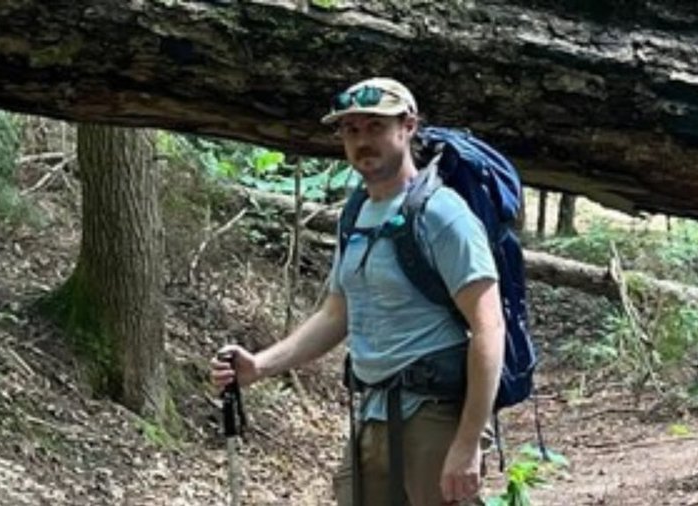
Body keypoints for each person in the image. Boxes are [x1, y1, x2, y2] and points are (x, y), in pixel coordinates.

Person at [210, 77, 504, 506]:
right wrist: (259, 366)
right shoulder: (356, 215)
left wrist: (467, 443)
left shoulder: (442, 214)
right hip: (374, 411)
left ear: (408, 127)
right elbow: (336, 314)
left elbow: (489, 327)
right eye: (351, 130)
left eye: (375, 127)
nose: (362, 141)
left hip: (435, 414)